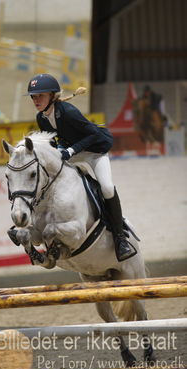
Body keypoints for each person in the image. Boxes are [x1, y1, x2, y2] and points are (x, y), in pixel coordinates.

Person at [26, 73, 135, 262]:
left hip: (94, 151)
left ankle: (120, 238)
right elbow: (56, 139)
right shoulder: (41, 118)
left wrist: (71, 150)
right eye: (34, 96)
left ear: (52, 96)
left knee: (107, 188)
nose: (36, 100)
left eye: (40, 96)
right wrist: (61, 149)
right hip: (73, 152)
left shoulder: (68, 111)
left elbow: (93, 134)